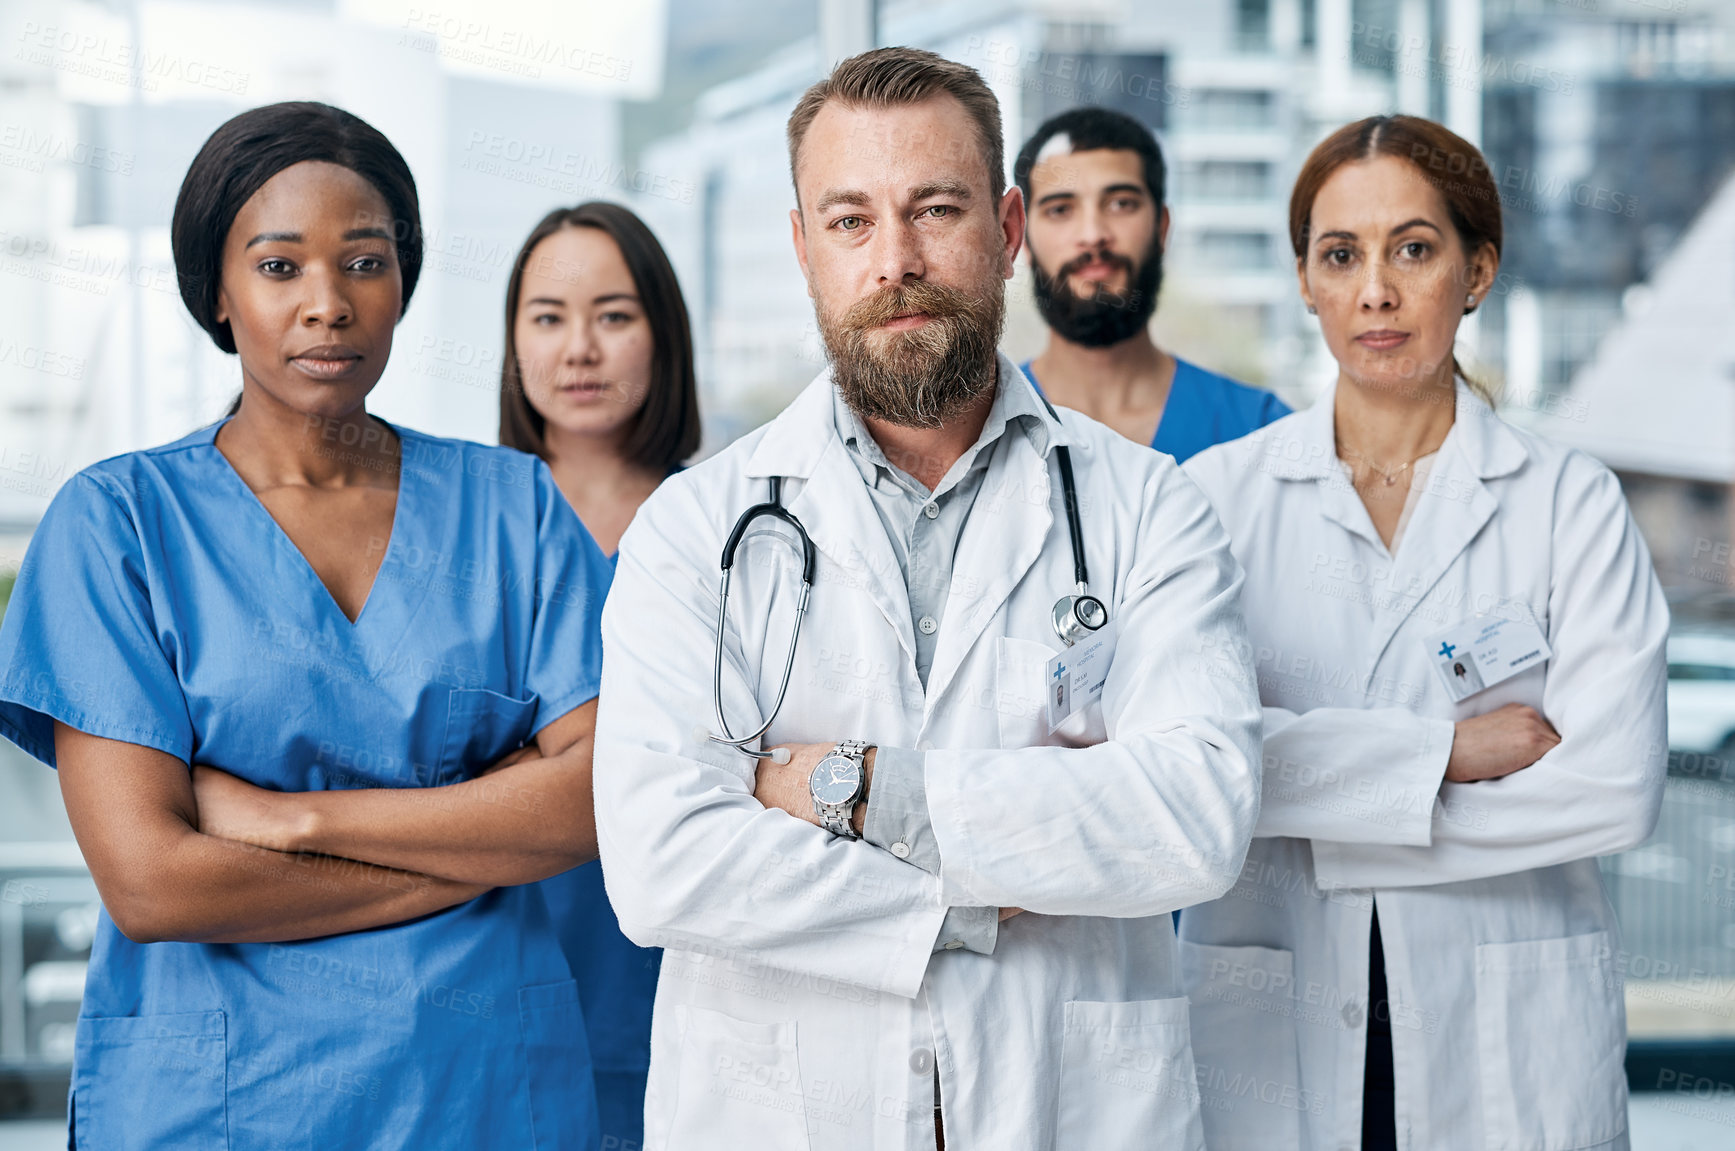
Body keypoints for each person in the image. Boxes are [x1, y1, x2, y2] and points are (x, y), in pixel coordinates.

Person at [592, 47, 1263, 1151]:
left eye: (934, 209)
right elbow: (665, 863)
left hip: (1072, 1102)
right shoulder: (695, 529)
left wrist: (855, 789)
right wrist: (965, 896)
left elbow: (1192, 821)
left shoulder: (1145, 506)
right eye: (850, 221)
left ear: (1004, 232)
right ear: (804, 249)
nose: (895, 260)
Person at [0, 102, 612, 1150]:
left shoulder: (516, 511)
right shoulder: (121, 526)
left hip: (482, 1095)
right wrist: (488, 835)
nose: (327, 304)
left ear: (402, 284)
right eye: (279, 267)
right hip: (222, 1107)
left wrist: (294, 822)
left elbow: (600, 801)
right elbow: (153, 879)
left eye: (364, 262)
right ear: (219, 292)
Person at [1177, 115, 1668, 1150]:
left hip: (1509, 1038)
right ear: (1306, 281)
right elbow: (1184, 765)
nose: (1375, 291)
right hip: (1275, 1023)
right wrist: (1446, 755)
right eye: (1339, 254)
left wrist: (1321, 819)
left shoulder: (1563, 502)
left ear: (1476, 268)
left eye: (1413, 247)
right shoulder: (1212, 502)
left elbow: (1614, 786)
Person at [498, 201, 701, 1151]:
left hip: (686, 976)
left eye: (614, 315)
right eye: (547, 317)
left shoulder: (725, 525)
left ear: (663, 331)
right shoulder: (458, 533)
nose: (579, 348)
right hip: (498, 978)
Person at [1013, 107, 1289, 462]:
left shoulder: (1261, 431)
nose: (1093, 234)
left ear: (1162, 227)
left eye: (1120, 204)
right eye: (1060, 209)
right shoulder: (975, 433)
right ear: (1020, 237)